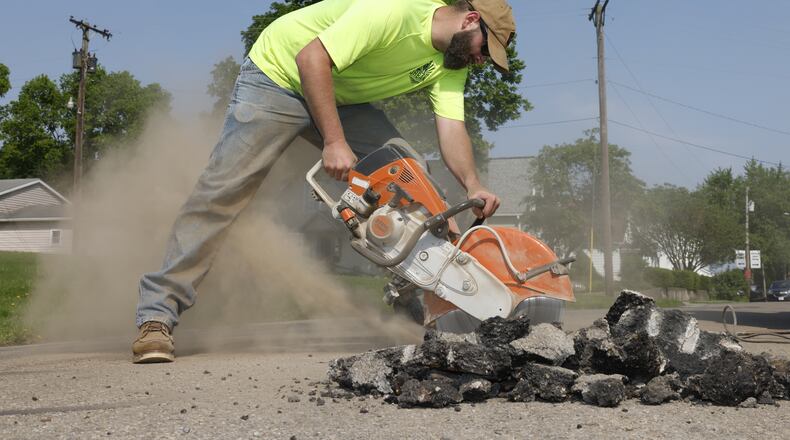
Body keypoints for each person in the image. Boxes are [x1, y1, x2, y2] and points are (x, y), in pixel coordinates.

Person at [132, 0, 514, 363]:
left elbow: (451, 127)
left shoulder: (452, 64)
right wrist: (334, 141)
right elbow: (310, 57)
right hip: (278, 77)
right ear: (469, 21)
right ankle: (157, 316)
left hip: (341, 97)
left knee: (415, 182)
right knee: (223, 192)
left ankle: (418, 309)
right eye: (486, 49)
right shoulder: (394, 11)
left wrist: (472, 185)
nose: (482, 60)